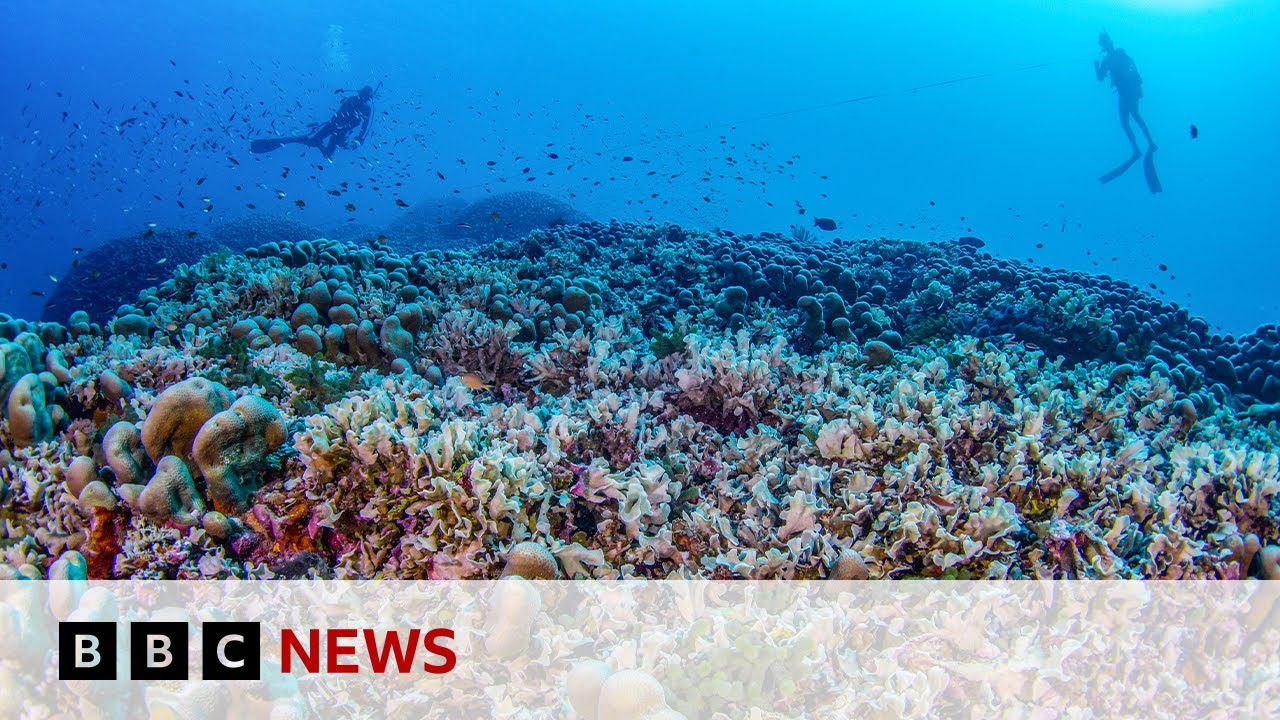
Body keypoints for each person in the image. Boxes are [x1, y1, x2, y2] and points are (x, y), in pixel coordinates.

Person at [250, 85, 376, 158]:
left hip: (338, 131)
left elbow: (364, 127)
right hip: (333, 127)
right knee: (316, 145)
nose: (363, 98)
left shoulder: (362, 107)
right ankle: (299, 140)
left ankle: (312, 142)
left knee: (326, 154)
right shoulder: (354, 102)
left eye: (366, 97)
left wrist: (359, 139)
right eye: (364, 96)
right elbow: (353, 121)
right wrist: (358, 138)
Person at [1094, 32, 1154, 157]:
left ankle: (1146, 145)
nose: (1107, 46)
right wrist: (1096, 67)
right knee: (1128, 120)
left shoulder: (1115, 55)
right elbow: (1100, 77)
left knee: (1132, 117)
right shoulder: (1108, 59)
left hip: (1130, 90)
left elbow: (1101, 76)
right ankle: (1141, 147)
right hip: (1127, 91)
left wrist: (1098, 68)